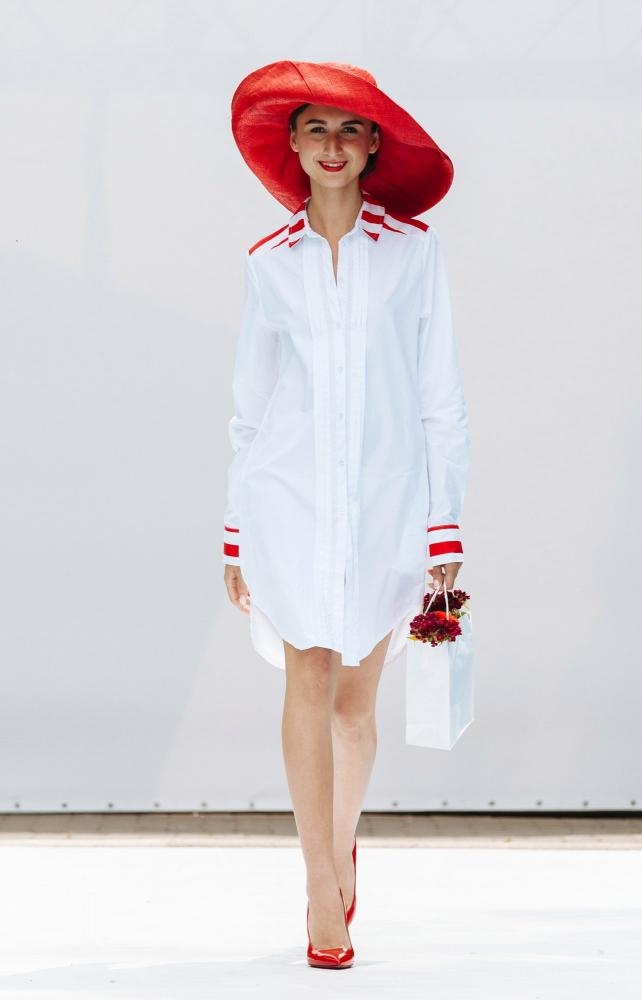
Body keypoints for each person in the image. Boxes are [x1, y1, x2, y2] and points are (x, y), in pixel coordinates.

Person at [221, 61, 471, 969]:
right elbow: (252, 407)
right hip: (288, 499)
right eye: (316, 128)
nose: (332, 145)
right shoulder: (268, 262)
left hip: (387, 502)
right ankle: (321, 886)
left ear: (372, 146)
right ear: (292, 143)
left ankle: (340, 841)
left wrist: (445, 527)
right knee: (308, 677)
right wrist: (235, 533)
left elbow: (440, 398)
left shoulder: (413, 252)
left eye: (349, 129)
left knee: (357, 700)